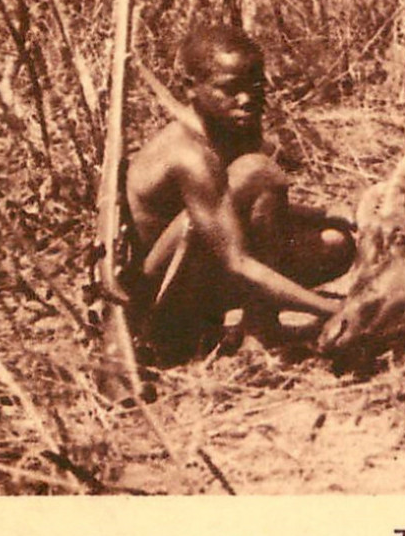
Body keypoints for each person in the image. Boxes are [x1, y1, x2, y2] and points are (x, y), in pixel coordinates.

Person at [122, 26, 355, 364]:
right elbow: (238, 262)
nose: (246, 99)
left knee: (335, 243)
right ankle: (261, 330)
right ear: (190, 89)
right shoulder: (189, 156)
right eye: (229, 89)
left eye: (255, 86)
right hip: (164, 301)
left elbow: (225, 212)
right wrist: (337, 309)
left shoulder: (228, 127)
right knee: (257, 173)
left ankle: (259, 323)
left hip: (206, 268)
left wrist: (327, 213)